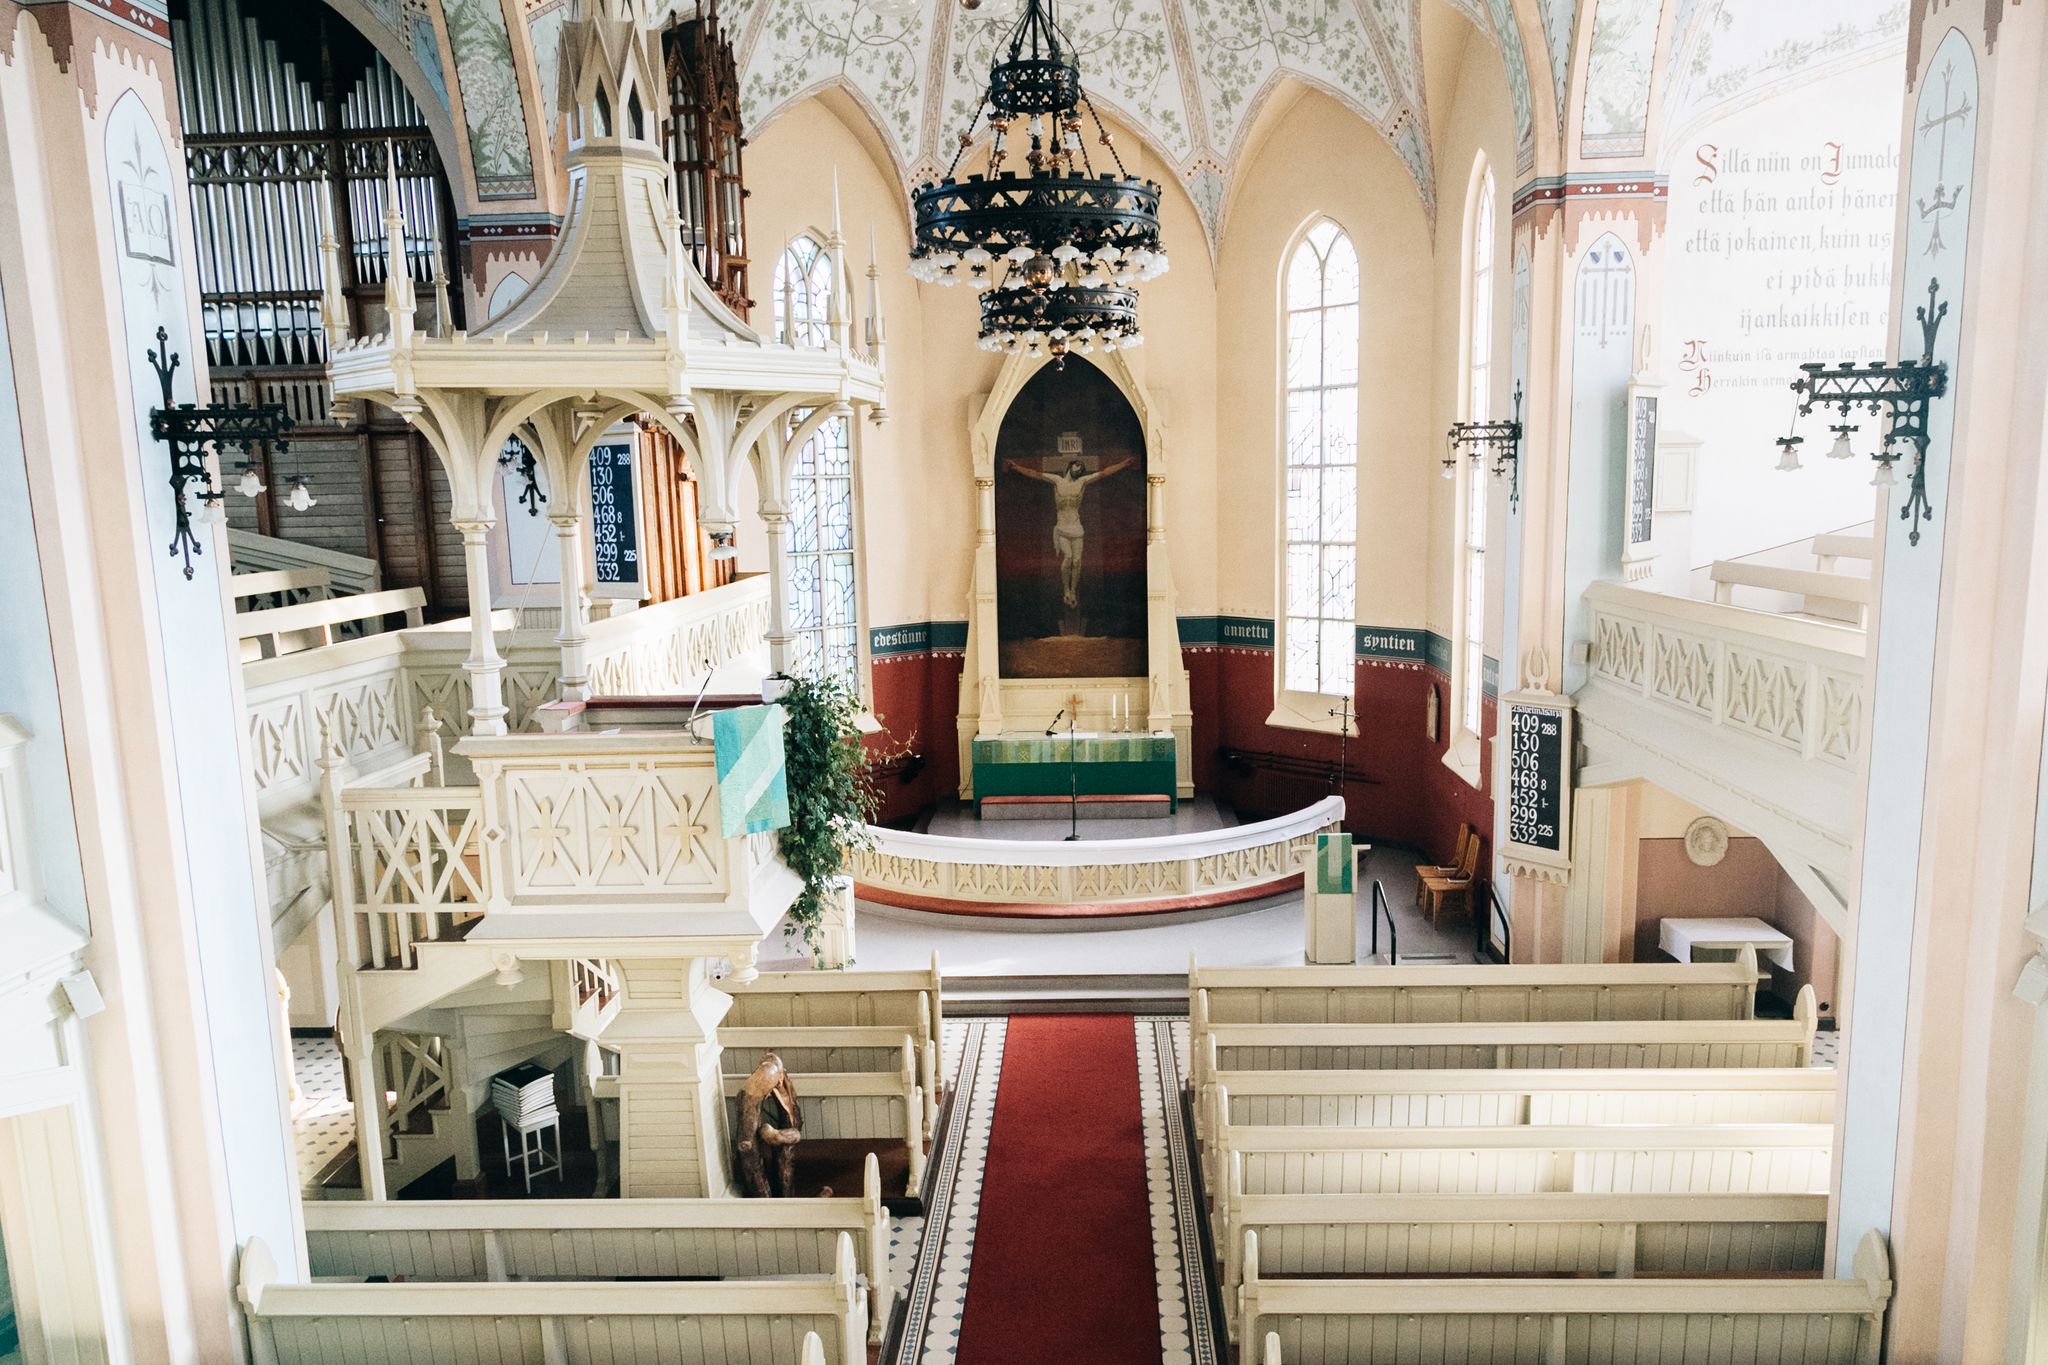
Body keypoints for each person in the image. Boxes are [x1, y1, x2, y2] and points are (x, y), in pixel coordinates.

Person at [1002, 455, 1136, 609]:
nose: (1079, 468)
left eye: (1081, 468)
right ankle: (1066, 588)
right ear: (1070, 466)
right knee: (1069, 557)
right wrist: (1017, 467)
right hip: (1062, 528)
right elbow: (1035, 474)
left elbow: (1104, 472)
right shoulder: (1057, 480)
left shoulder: (1082, 482)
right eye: (1077, 465)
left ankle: (1073, 591)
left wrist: (1123, 463)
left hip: (1076, 528)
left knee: (1077, 561)